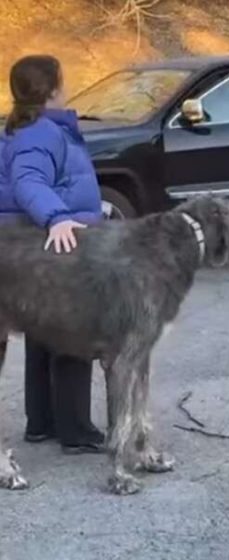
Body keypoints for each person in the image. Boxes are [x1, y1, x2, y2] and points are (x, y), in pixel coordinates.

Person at [0, 54, 105, 454]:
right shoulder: (41, 132)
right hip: (53, 248)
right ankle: (75, 430)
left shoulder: (25, 128)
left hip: (32, 249)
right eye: (64, 77)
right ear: (50, 89)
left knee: (42, 335)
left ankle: (41, 421)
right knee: (72, 334)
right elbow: (29, 182)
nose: (69, 83)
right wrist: (58, 218)